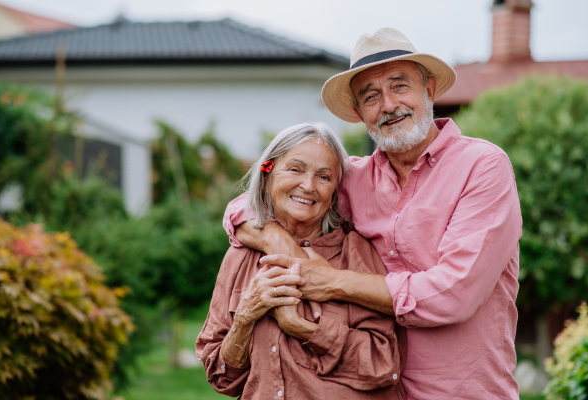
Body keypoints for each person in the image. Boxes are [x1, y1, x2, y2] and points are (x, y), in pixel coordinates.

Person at [223, 28, 522, 399]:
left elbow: (453, 293)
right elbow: (258, 201)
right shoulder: (352, 179)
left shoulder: (483, 167)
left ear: (428, 90)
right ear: (359, 113)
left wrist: (332, 281)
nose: (388, 105)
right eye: (371, 96)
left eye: (400, 86)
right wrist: (276, 239)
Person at [196, 122, 407, 400]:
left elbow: (383, 364)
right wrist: (246, 317)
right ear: (268, 172)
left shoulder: (355, 251)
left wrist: (301, 327)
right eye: (295, 169)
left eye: (323, 177)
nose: (307, 186)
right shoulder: (241, 255)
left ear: (335, 191)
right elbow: (222, 378)